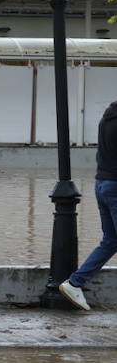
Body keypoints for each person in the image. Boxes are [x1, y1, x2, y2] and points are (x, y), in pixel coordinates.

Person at [59, 99, 117, 311]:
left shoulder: (107, 117)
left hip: (102, 184)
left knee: (111, 241)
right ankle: (75, 282)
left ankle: (75, 283)